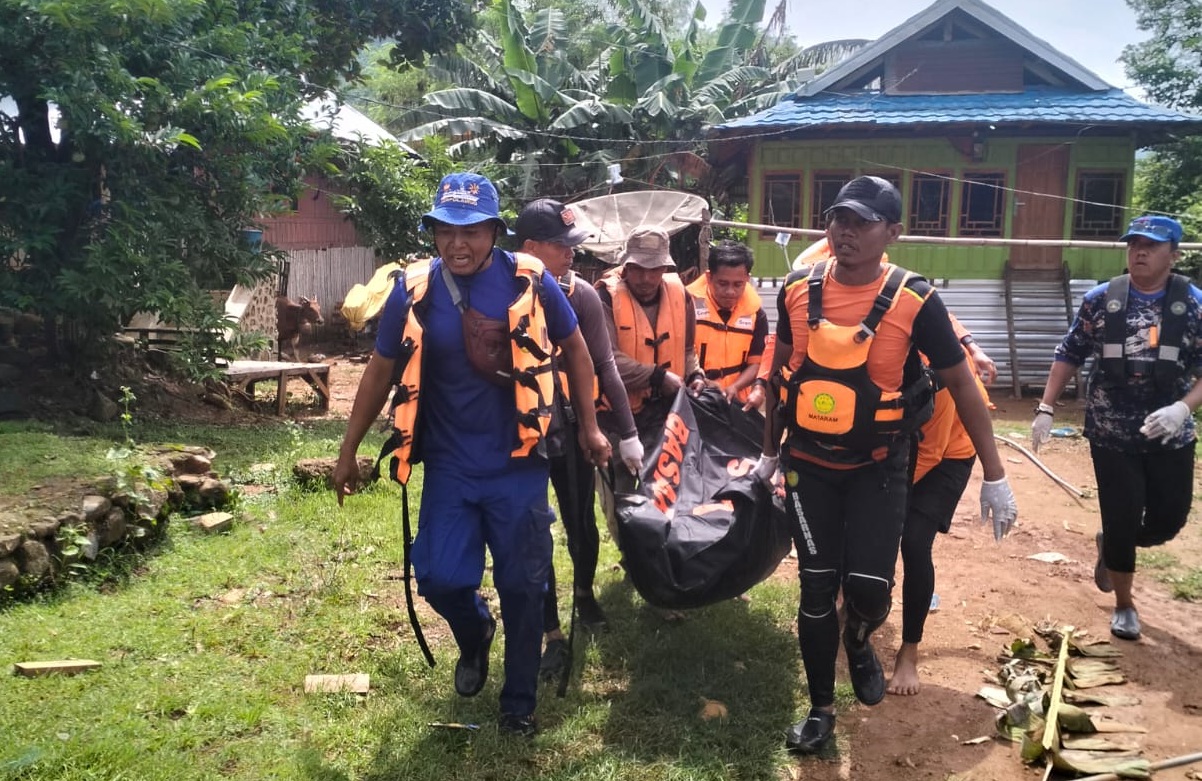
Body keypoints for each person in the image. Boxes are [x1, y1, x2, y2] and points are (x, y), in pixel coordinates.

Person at [331, 173, 612, 738]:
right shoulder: (414, 291)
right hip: (451, 466)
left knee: (524, 586)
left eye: (472, 231)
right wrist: (348, 450)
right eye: (445, 230)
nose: (457, 243)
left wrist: (592, 425)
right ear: (433, 232)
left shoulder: (529, 280)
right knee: (437, 576)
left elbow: (577, 349)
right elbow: (381, 370)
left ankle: (518, 703)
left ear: (494, 231)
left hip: (520, 465)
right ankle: (475, 632)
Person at [753, 175, 1017, 753]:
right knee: (816, 589)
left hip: (880, 465)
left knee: (871, 589)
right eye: (838, 220)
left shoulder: (916, 299)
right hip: (809, 465)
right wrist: (769, 454)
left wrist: (994, 474)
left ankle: (863, 634)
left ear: (892, 233)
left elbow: (961, 384)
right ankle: (821, 709)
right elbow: (780, 376)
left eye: (861, 222)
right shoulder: (797, 290)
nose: (844, 232)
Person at [1031, 214, 1202, 642]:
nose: (1139, 252)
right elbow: (1069, 352)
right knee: (1123, 515)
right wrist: (1046, 407)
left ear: (1174, 255)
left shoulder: (1195, 304)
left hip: (1170, 433)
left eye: (1151, 245)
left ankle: (1113, 543)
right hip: (1111, 431)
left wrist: (1183, 408)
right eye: (1133, 244)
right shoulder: (1101, 300)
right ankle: (1125, 604)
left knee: (1169, 520)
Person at [511, 198, 644, 679]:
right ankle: (550, 630)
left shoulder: (579, 293)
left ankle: (584, 594)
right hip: (520, 431)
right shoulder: (500, 293)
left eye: (574, 245)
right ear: (530, 248)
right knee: (532, 532)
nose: (572, 254)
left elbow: (604, 365)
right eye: (562, 246)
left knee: (580, 523)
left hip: (568, 428)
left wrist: (624, 433)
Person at [887, 316, 996, 696]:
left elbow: (929, 451)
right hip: (904, 445)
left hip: (951, 449)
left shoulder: (942, 371)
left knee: (913, 541)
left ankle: (909, 652)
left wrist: (887, 501)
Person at [595, 224, 704, 452]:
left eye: (654, 269)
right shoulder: (604, 297)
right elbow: (605, 360)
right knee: (621, 486)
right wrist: (657, 376)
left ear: (665, 267)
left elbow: (686, 349)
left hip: (667, 415)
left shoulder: (680, 295)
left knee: (665, 485)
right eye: (638, 268)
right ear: (626, 265)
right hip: (616, 417)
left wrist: (695, 374)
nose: (646, 278)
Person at [686, 239, 770, 411]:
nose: (730, 292)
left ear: (747, 279)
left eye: (738, 284)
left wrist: (735, 387)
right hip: (694, 397)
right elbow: (679, 353)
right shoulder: (687, 306)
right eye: (722, 283)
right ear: (709, 277)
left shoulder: (757, 315)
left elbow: (756, 363)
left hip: (736, 402)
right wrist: (702, 380)